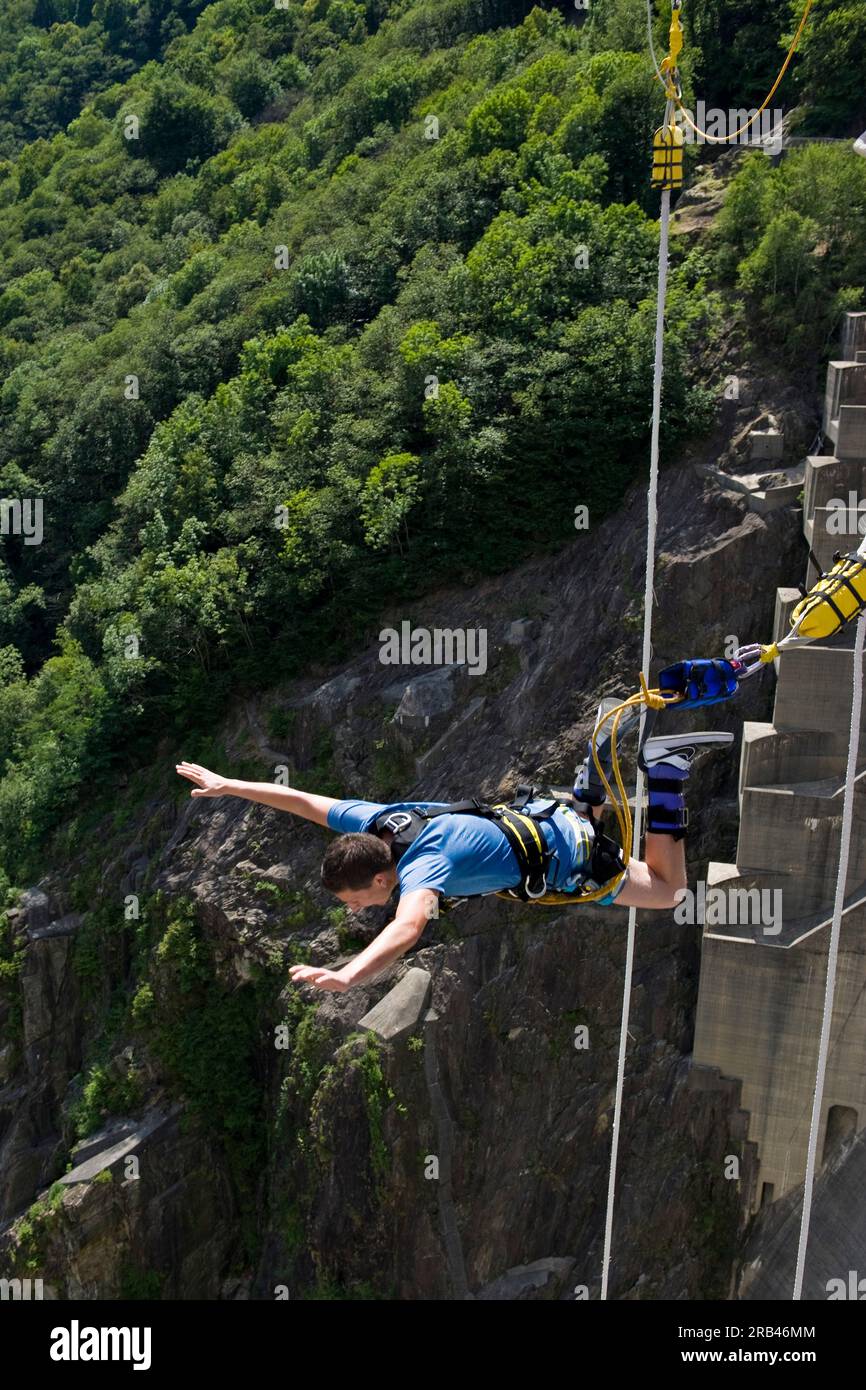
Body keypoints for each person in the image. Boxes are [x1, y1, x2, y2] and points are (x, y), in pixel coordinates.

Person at [175, 727, 729, 995]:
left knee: (667, 891)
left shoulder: (420, 870)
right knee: (585, 819)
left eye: (356, 899)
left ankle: (666, 774)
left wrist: (348, 975)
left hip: (564, 854)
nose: (356, 910)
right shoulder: (378, 822)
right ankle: (589, 786)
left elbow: (408, 928)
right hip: (541, 814)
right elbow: (305, 803)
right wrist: (229, 786)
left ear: (379, 876)